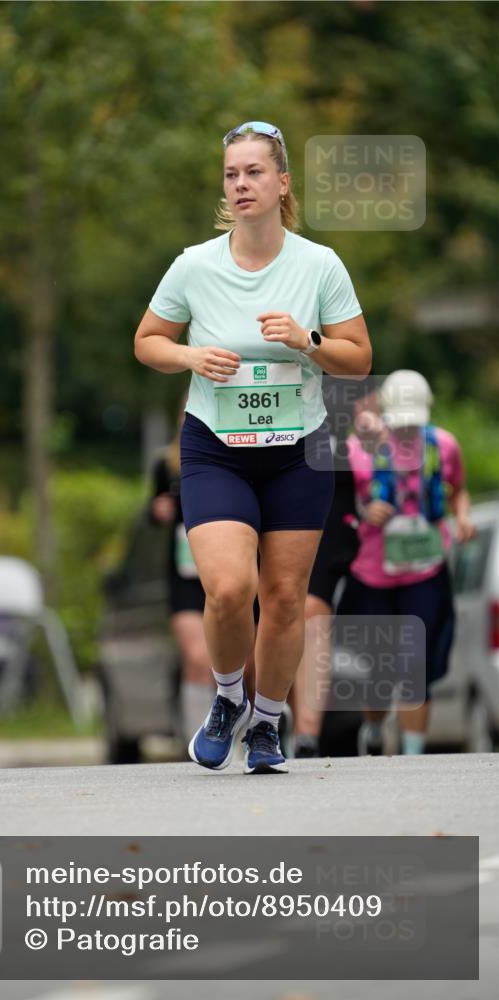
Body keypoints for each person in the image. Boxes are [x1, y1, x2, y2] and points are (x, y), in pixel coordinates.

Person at [134, 120, 372, 774]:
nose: (240, 184)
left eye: (253, 172)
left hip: (298, 448)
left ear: (281, 183)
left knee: (287, 596)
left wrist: (306, 342)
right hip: (214, 446)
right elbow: (146, 339)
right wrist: (187, 353)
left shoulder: (318, 265)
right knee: (229, 589)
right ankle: (227, 698)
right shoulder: (194, 265)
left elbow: (358, 359)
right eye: (231, 174)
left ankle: (267, 723)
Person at [339, 370, 476, 755]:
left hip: (425, 570)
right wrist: (365, 512)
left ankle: (413, 757)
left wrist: (462, 517)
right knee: (379, 672)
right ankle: (375, 729)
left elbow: (459, 491)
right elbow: (338, 511)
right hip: (372, 575)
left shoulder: (444, 446)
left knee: (418, 667)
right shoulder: (356, 450)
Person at [292, 375, 382, 758]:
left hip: (337, 533)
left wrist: (375, 434)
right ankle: (261, 716)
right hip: (283, 519)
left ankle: (306, 736)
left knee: (313, 615)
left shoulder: (352, 375)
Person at [149, 408, 214, 743]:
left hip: (223, 565)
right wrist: (157, 509)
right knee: (197, 656)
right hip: (185, 571)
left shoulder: (232, 453)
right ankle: (198, 736)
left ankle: (239, 728)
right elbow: (152, 507)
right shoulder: (167, 464)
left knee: (240, 660)